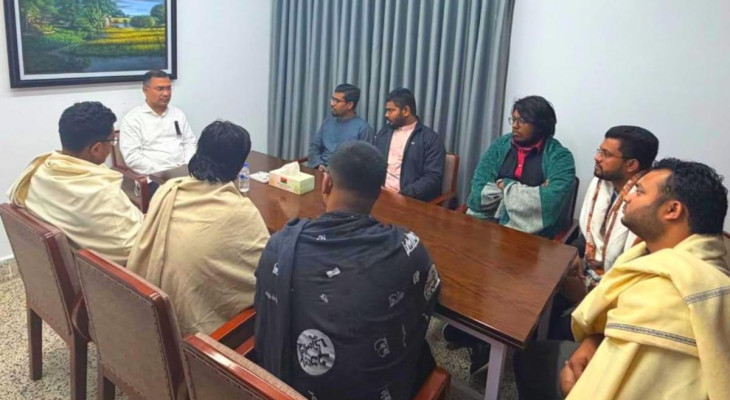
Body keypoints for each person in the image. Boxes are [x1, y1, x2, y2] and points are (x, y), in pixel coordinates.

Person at [516, 158, 730, 400]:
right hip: (602, 336)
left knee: (532, 358)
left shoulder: (667, 297)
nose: (627, 197)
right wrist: (594, 340)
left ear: (672, 210)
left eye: (639, 191)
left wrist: (575, 391)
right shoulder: (658, 254)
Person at [254, 141, 441, 400]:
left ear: (326, 183)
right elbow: (427, 299)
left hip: (282, 389)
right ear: (379, 193)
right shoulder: (409, 249)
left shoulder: (278, 246)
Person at [127, 121, 269, 335]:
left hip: (150, 309)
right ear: (239, 165)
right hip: (196, 336)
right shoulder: (241, 210)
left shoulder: (168, 189)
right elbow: (265, 271)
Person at [554, 126, 659, 339]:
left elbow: (635, 277)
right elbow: (589, 237)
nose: (597, 157)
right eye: (599, 150)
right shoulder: (602, 183)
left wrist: (587, 297)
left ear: (631, 165)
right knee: (543, 300)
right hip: (589, 272)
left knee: (561, 330)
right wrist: (573, 254)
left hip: (620, 295)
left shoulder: (648, 206)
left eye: (605, 154)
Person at [7, 102, 143, 265]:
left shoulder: (39, 169)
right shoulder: (100, 193)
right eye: (111, 141)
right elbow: (132, 249)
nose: (111, 146)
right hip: (115, 273)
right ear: (96, 149)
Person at [466, 95, 575, 238]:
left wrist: (504, 185)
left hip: (533, 237)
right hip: (486, 224)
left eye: (522, 121)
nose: (514, 125)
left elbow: (549, 204)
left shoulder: (560, 157)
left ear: (540, 125)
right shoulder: (500, 145)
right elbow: (478, 191)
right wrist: (533, 194)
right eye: (513, 119)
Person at [119, 69, 197, 175]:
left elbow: (189, 142)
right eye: (160, 89)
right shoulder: (133, 119)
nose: (166, 93)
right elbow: (132, 157)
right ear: (145, 91)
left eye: (169, 88)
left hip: (184, 172)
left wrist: (187, 165)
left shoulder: (178, 114)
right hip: (154, 176)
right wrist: (163, 172)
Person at [374, 88, 445, 202]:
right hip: (380, 195)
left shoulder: (430, 139)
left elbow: (433, 177)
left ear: (406, 111)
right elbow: (374, 163)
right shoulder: (384, 133)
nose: (386, 115)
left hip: (410, 199)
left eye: (391, 110)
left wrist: (403, 195)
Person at [308, 83, 374, 170]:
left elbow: (364, 161)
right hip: (321, 170)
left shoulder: (363, 129)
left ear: (350, 105)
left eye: (336, 101)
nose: (332, 104)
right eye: (332, 99)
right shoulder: (328, 121)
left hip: (344, 174)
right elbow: (314, 147)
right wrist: (318, 164)